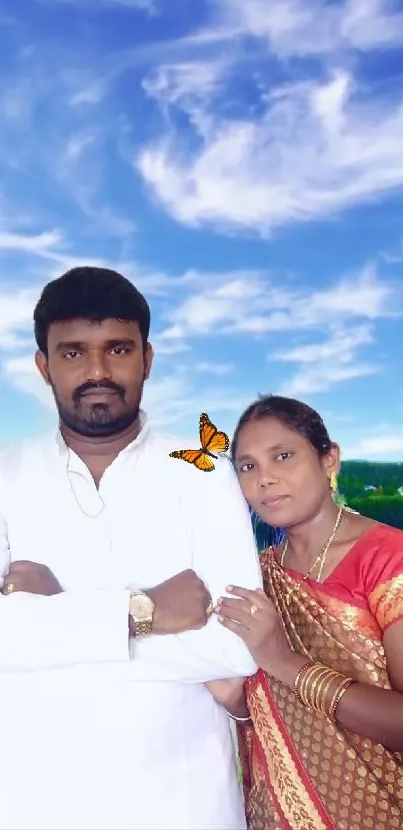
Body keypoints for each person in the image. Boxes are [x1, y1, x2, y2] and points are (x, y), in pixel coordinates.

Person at [0, 266, 262, 830]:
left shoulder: (203, 473)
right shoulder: (4, 472)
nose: (97, 371)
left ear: (146, 357)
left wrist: (48, 624)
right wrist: (142, 612)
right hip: (30, 800)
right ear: (43, 366)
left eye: (117, 349)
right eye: (72, 353)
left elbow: (237, 650)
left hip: (185, 804)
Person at [210, 395, 403, 830]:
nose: (265, 479)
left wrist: (284, 662)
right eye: (247, 466)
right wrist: (237, 704)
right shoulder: (254, 576)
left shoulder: (387, 559)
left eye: (282, 456)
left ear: (329, 459)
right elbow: (258, 709)